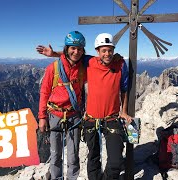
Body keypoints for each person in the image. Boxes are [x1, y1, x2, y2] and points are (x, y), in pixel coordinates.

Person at [37, 32, 132, 180]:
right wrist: (54, 53)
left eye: (110, 50)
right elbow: (72, 55)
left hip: (106, 117)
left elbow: (124, 89)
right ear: (97, 51)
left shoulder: (119, 64)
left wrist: (124, 111)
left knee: (114, 162)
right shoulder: (88, 63)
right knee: (87, 156)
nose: (107, 54)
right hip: (84, 118)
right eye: (104, 50)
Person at [38, 31, 90, 180]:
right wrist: (42, 117)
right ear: (66, 48)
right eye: (73, 48)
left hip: (74, 115)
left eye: (79, 49)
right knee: (55, 155)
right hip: (55, 115)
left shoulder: (83, 68)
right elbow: (44, 93)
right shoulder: (53, 68)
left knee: (73, 155)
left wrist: (55, 53)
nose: (76, 52)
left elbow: (102, 58)